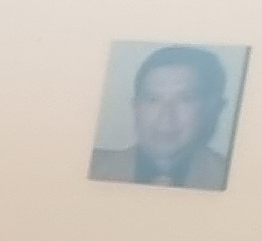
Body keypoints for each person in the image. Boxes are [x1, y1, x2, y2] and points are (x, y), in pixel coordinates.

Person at [89, 44, 234, 189]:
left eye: (186, 99)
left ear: (210, 109)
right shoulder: (95, 171)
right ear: (135, 107)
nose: (166, 117)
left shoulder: (232, 181)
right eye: (153, 100)